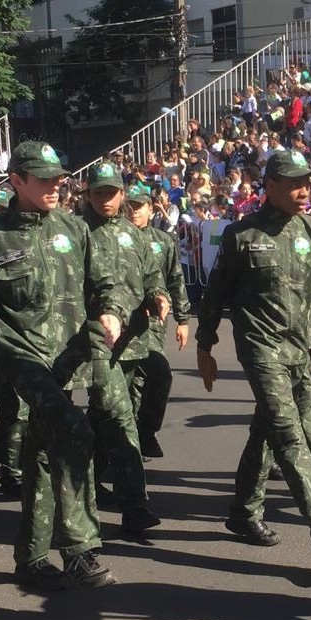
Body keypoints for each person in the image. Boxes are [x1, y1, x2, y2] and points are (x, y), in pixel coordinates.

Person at [0, 141, 123, 589]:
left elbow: (102, 281)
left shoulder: (74, 229)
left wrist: (109, 308)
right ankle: (79, 549)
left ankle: (31, 559)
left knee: (40, 449)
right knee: (74, 430)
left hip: (66, 357)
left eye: (58, 177)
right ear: (17, 180)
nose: (56, 185)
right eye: (44, 179)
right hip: (18, 354)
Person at [196, 149, 311, 566]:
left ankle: (243, 513)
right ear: (272, 186)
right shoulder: (241, 236)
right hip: (260, 348)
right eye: (295, 184)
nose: (305, 191)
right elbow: (214, 295)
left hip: (300, 346)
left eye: (308, 184)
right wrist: (204, 346)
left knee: (265, 428)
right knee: (287, 432)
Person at [83, 162, 169, 535]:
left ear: (122, 193)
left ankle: (82, 477)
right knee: (118, 415)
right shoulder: (77, 231)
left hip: (133, 337)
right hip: (94, 338)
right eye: (99, 192)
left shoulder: (132, 234)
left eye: (112, 192)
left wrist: (159, 296)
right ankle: (134, 505)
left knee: (107, 416)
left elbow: (152, 274)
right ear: (88, 194)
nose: (106, 199)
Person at [124, 183, 191, 459]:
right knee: (132, 382)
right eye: (129, 206)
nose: (133, 212)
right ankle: (128, 439)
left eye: (139, 207)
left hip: (154, 321)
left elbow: (175, 279)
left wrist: (183, 319)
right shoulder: (116, 238)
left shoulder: (162, 242)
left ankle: (146, 430)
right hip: (125, 318)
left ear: (150, 210)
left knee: (158, 374)